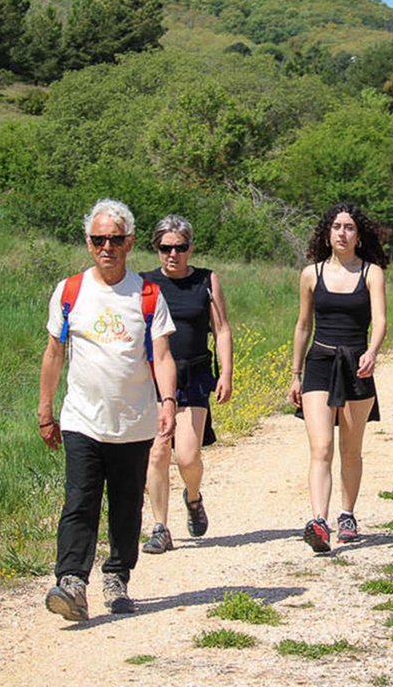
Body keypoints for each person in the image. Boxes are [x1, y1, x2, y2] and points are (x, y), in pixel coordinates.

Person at [38, 199, 177, 621]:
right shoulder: (70, 291)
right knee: (79, 500)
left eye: (115, 239)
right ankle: (71, 582)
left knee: (124, 505)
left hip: (134, 422)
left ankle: (117, 575)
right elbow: (53, 354)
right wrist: (47, 410)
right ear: (88, 242)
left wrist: (168, 401)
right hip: (82, 418)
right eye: (99, 239)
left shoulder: (148, 294)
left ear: (130, 242)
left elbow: (164, 355)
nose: (107, 247)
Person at [289, 203, 388, 552]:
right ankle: (319, 520)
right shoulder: (311, 274)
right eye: (336, 227)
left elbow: (380, 321)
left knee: (350, 448)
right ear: (327, 234)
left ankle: (347, 513)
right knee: (321, 447)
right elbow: (303, 326)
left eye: (349, 227)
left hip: (356, 364)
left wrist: (372, 353)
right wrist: (295, 373)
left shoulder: (371, 273)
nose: (342, 233)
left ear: (359, 236)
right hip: (319, 362)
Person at [139, 215, 234, 554]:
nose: (173, 254)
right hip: (154, 377)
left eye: (180, 247)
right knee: (158, 451)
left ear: (190, 248)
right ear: (156, 249)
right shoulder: (144, 284)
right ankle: (160, 527)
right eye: (166, 248)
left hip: (194, 375)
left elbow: (221, 330)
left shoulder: (206, 281)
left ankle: (193, 498)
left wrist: (226, 373)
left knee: (187, 456)